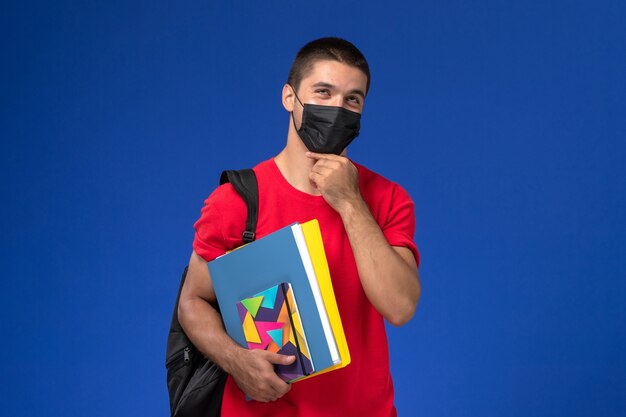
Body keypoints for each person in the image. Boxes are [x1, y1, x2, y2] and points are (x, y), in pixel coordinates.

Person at [178, 37, 421, 417]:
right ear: (289, 98)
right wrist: (235, 360)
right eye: (323, 92)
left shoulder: (388, 198)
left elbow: (400, 307)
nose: (337, 109)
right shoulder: (238, 200)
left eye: (352, 99)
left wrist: (350, 202)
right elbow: (192, 302)